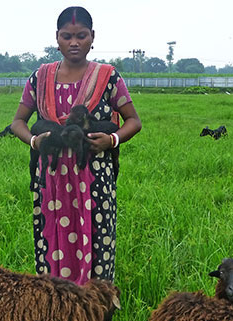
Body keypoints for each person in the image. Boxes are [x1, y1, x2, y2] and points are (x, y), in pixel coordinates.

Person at [10, 6, 142, 285]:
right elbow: (18, 122)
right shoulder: (40, 77)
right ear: (56, 38)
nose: (74, 42)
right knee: (53, 241)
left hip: (94, 178)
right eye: (66, 36)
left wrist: (112, 140)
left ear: (92, 36)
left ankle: (97, 305)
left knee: (98, 240)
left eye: (81, 36)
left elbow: (133, 121)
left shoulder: (108, 76)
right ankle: (55, 305)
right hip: (52, 180)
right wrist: (34, 141)